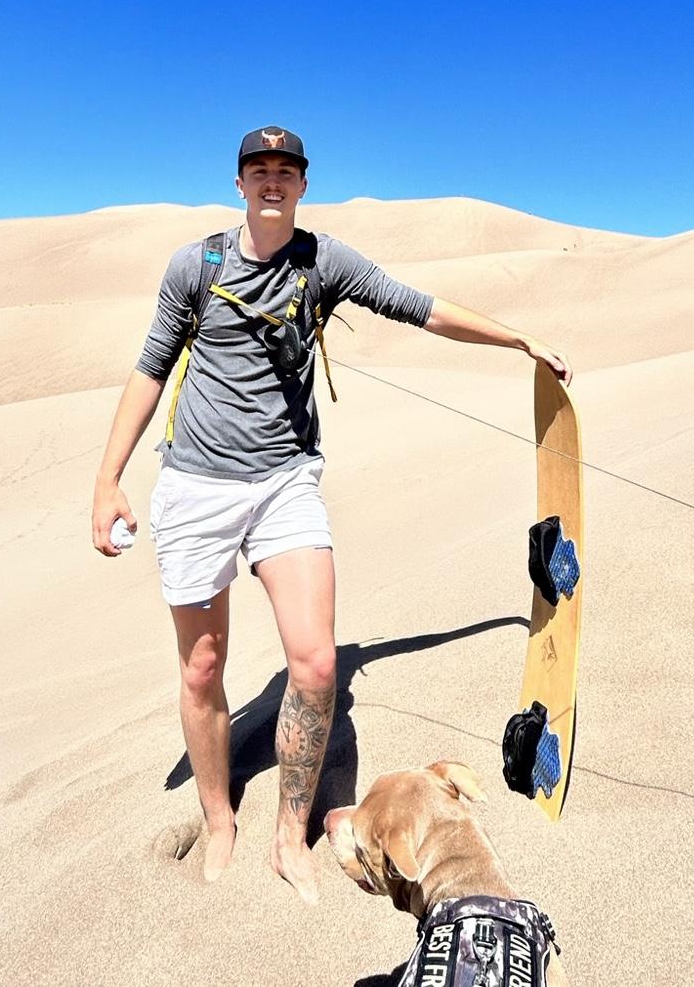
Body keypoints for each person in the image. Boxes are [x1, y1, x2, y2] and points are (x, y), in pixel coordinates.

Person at [90, 126, 571, 904]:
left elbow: (419, 308)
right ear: (240, 182)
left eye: (287, 170)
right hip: (197, 489)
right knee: (203, 667)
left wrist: (518, 338)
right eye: (259, 170)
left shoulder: (325, 260)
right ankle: (219, 822)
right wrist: (107, 479)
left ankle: (289, 836)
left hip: (286, 483)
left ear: (303, 185)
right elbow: (150, 368)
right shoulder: (196, 264)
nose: (272, 181)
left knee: (316, 666)